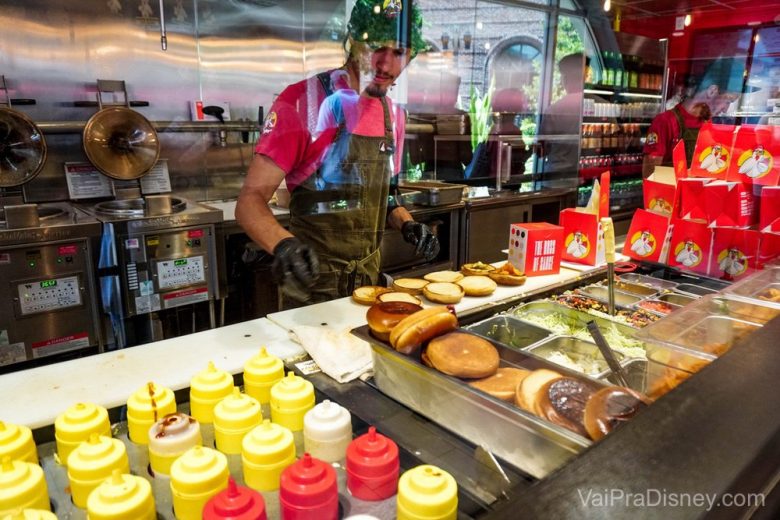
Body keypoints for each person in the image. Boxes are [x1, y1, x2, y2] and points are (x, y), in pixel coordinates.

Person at [236, 0, 439, 309]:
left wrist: (407, 224)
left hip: (368, 289)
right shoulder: (303, 103)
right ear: (353, 42)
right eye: (375, 47)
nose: (385, 64)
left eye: (398, 52)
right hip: (312, 288)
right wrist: (283, 245)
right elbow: (249, 202)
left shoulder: (393, 117)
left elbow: (386, 197)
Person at [642, 57, 743, 178]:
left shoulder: (707, 123)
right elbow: (650, 174)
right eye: (728, 100)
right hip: (671, 195)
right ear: (712, 91)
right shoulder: (665, 121)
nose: (725, 109)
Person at [539, 53, 589, 182]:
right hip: (587, 178)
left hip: (556, 178)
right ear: (586, 76)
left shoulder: (554, 109)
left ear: (565, 78)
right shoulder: (602, 105)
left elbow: (541, 150)